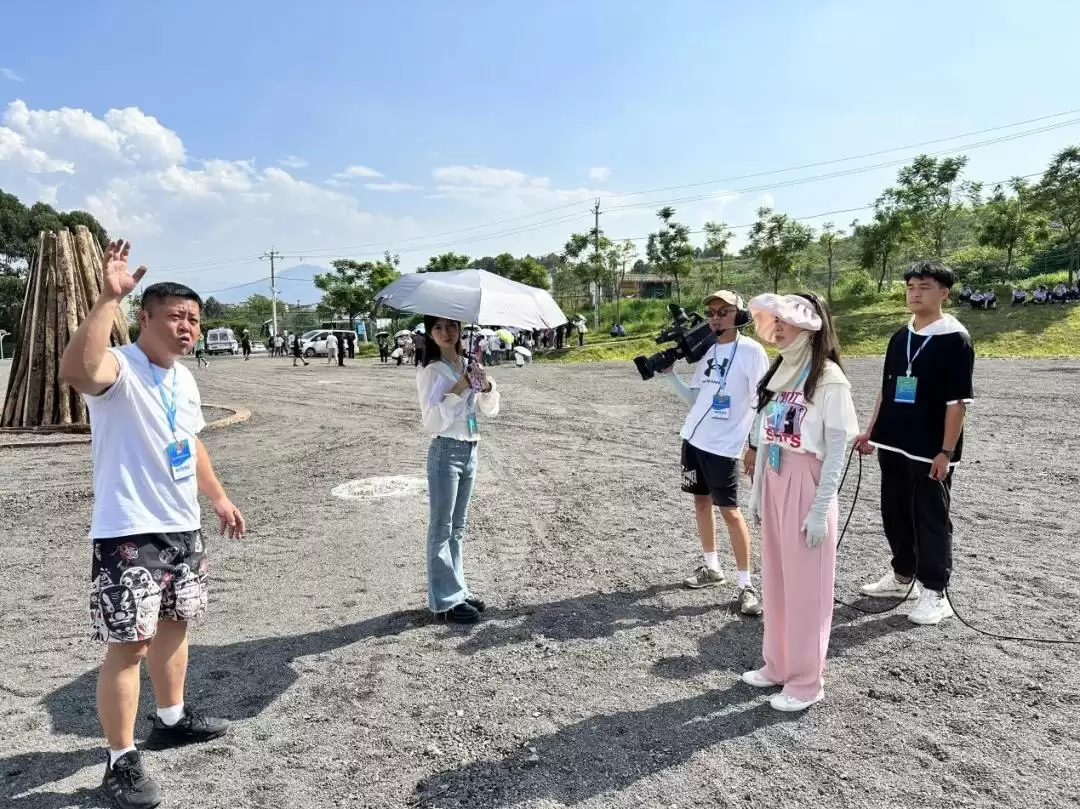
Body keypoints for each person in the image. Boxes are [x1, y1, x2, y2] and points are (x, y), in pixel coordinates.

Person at [58, 240, 246, 809]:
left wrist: (217, 499)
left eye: (194, 318)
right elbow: (76, 371)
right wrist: (105, 301)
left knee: (175, 626)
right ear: (144, 317)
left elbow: (188, 445)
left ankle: (170, 718)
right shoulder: (120, 364)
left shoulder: (184, 381)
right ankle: (120, 758)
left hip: (180, 527)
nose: (187, 327)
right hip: (128, 531)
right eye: (175, 316)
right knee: (130, 645)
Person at [740, 292, 859, 712]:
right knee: (776, 578)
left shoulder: (828, 378)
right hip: (774, 479)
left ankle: (807, 681)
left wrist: (819, 508)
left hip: (806, 481)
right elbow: (766, 435)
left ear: (810, 325)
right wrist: (757, 492)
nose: (777, 328)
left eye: (785, 321)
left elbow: (838, 446)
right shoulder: (780, 373)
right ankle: (777, 664)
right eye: (773, 321)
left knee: (807, 588)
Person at [854, 260, 975, 626]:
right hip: (893, 441)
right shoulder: (899, 335)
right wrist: (870, 430)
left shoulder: (956, 339)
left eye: (923, 286)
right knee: (894, 511)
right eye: (910, 287)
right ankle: (902, 574)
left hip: (929, 448)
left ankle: (936, 593)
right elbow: (887, 388)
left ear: (944, 292)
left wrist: (946, 451)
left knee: (930, 518)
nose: (915, 293)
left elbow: (957, 403)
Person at [659, 290, 770, 616]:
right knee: (701, 502)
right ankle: (712, 567)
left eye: (724, 311)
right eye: (711, 312)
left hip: (724, 447)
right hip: (694, 439)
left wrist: (754, 445)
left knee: (731, 512)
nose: (716, 316)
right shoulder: (706, 351)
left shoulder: (752, 351)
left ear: (739, 314)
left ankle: (746, 584)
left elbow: (763, 401)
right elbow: (696, 399)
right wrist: (670, 377)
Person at [416, 315, 500, 624]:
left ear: (460, 329)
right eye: (437, 327)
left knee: (458, 526)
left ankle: (458, 590)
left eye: (451, 326)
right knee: (441, 527)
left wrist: (486, 386)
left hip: (470, 447)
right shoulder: (431, 371)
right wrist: (458, 388)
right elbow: (432, 422)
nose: (446, 332)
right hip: (446, 450)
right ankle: (444, 602)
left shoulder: (468, 363)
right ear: (430, 334)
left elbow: (488, 409)